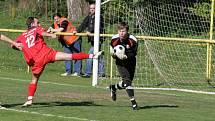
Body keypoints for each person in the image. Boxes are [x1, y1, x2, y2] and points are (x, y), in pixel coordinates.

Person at [12, 17, 103, 107]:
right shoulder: (36, 28)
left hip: (36, 61)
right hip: (46, 54)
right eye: (37, 22)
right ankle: (93, 56)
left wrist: (19, 47)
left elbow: (13, 45)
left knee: (34, 80)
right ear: (32, 24)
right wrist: (50, 35)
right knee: (69, 57)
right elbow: (44, 32)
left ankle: (29, 100)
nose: (39, 24)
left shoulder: (22, 35)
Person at [109, 22, 139, 110]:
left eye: (123, 31)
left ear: (127, 31)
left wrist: (126, 56)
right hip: (120, 63)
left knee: (126, 83)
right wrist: (114, 55)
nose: (121, 33)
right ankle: (134, 103)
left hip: (131, 61)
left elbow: (134, 53)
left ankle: (113, 88)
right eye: (119, 31)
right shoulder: (114, 39)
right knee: (127, 82)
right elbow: (112, 51)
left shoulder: (133, 40)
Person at [75, 3, 105, 78]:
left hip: (98, 39)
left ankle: (88, 73)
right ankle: (101, 73)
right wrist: (77, 31)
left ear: (97, 9)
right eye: (91, 8)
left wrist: (90, 31)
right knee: (99, 55)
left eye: (93, 8)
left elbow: (96, 26)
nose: (92, 9)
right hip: (92, 40)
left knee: (91, 54)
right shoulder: (89, 16)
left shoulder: (99, 17)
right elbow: (83, 24)